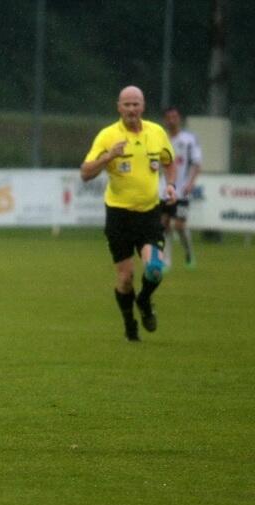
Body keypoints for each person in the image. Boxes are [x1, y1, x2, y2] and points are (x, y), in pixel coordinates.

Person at [80, 86, 176, 342]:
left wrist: (170, 185)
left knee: (155, 268)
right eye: (127, 104)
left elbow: (169, 161)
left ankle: (144, 301)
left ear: (143, 106)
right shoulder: (108, 136)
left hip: (149, 214)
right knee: (125, 278)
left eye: (136, 104)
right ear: (119, 107)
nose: (132, 109)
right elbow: (85, 173)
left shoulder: (156, 133)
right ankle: (130, 324)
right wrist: (109, 156)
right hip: (119, 216)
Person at [160, 106, 202, 269]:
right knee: (164, 224)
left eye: (174, 117)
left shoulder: (189, 140)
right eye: (169, 117)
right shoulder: (161, 138)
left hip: (182, 190)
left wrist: (191, 183)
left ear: (179, 119)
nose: (172, 120)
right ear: (165, 120)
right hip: (164, 190)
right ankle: (166, 260)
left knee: (179, 225)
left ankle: (189, 252)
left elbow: (197, 163)